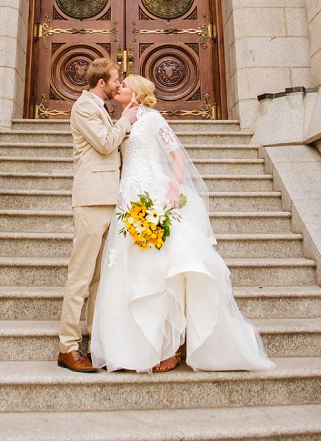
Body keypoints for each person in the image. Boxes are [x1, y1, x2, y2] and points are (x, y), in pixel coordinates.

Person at [90, 74, 275, 373]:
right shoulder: (124, 120)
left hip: (153, 194)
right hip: (128, 198)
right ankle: (136, 348)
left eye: (124, 85)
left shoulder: (152, 119)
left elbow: (178, 158)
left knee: (161, 271)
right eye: (118, 84)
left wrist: (173, 189)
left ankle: (170, 348)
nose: (118, 87)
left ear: (136, 92)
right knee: (132, 269)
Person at [57, 57, 139, 372]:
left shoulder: (102, 108)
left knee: (98, 279)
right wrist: (126, 120)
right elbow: (105, 144)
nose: (119, 84)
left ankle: (94, 344)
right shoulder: (83, 108)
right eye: (116, 79)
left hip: (110, 200)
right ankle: (67, 347)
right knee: (79, 277)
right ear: (101, 82)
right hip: (91, 200)